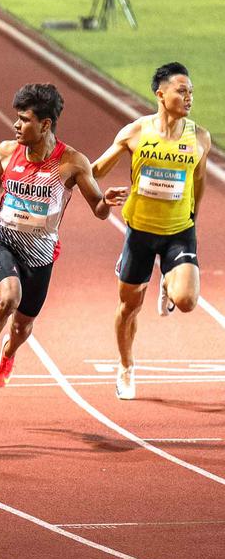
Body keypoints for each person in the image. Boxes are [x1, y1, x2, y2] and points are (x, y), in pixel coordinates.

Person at [0, 84, 120, 404]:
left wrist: (107, 201)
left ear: (45, 125)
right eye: (16, 119)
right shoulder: (7, 151)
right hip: (2, 241)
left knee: (21, 328)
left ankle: (8, 352)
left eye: (24, 120)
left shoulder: (73, 163)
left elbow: (100, 212)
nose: (16, 126)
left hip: (40, 255)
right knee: (9, 298)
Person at [92, 62, 209, 400]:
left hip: (179, 232)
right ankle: (126, 366)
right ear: (160, 93)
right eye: (181, 91)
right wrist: (91, 187)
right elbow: (96, 170)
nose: (188, 98)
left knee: (186, 300)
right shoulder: (135, 132)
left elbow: (198, 181)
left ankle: (170, 283)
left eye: (191, 92)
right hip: (140, 232)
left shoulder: (199, 137)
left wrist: (193, 216)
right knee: (128, 307)